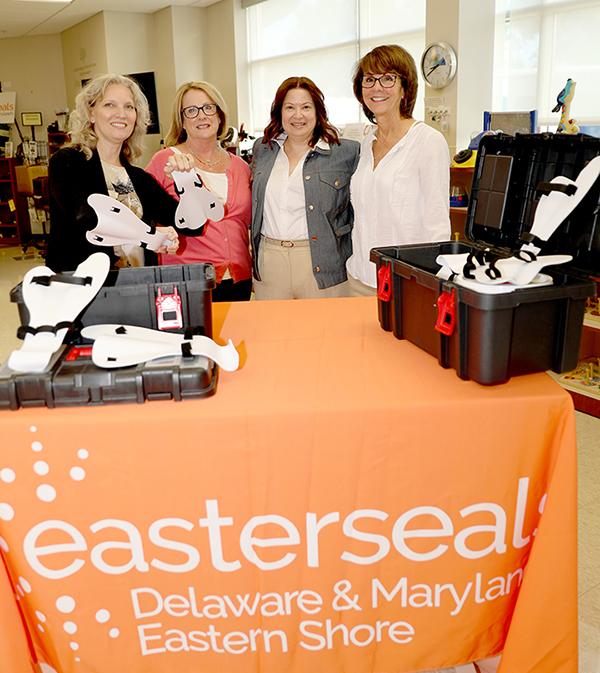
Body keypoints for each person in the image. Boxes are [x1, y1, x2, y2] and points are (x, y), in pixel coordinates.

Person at [46, 74, 179, 272]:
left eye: (129, 107)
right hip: (83, 289)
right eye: (110, 105)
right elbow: (87, 217)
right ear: (91, 113)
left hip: (136, 286)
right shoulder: (67, 161)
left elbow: (186, 223)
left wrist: (187, 180)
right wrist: (149, 235)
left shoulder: (138, 177)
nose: (121, 114)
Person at [346, 44, 451, 295]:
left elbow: (437, 225)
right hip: (359, 278)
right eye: (369, 79)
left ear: (405, 88)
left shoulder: (427, 141)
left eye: (388, 78)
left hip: (404, 284)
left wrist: (433, 284)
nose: (377, 87)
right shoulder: (365, 142)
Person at [251, 76, 360, 300]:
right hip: (270, 260)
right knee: (273, 332)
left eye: (306, 107)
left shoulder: (346, 152)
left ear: (318, 112)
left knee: (323, 333)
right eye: (289, 107)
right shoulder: (263, 149)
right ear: (279, 112)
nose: (298, 115)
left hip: (322, 261)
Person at [145, 81, 252, 302]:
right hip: (188, 281)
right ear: (182, 121)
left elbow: (247, 224)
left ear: (219, 114)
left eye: (208, 107)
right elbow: (142, 214)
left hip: (239, 279)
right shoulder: (165, 161)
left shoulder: (241, 167)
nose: (202, 116)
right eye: (191, 111)